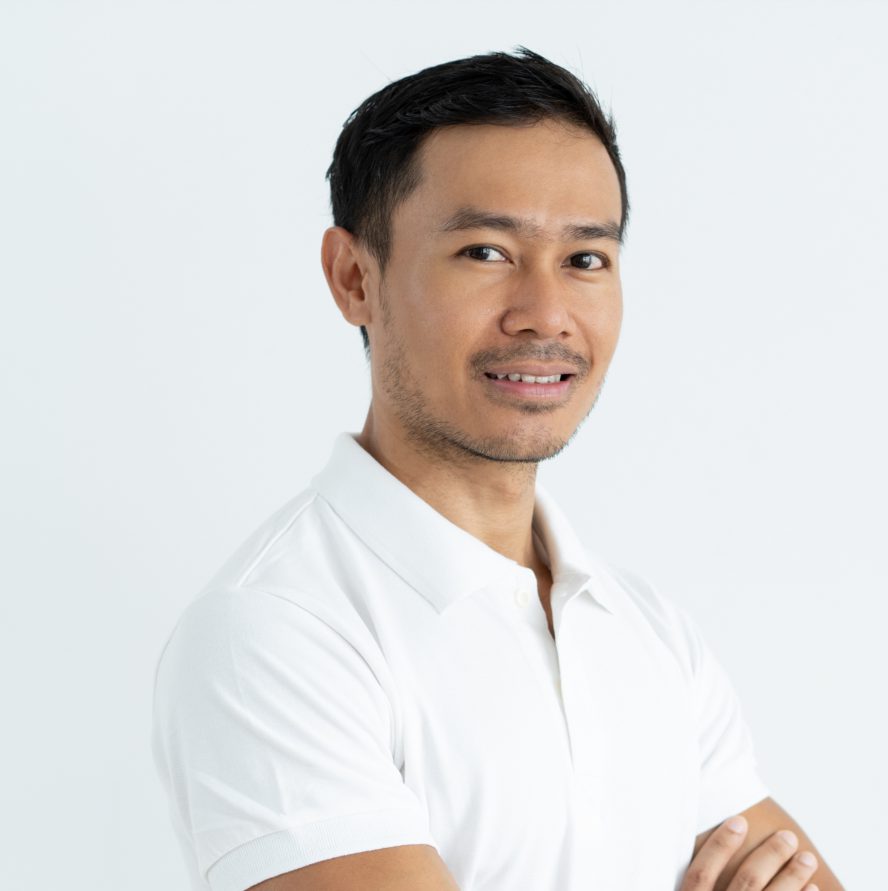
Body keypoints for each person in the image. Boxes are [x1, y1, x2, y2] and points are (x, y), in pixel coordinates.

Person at [151, 48, 845, 891]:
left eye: (585, 259)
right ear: (354, 277)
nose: (545, 315)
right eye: (485, 252)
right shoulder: (274, 631)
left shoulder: (648, 632)